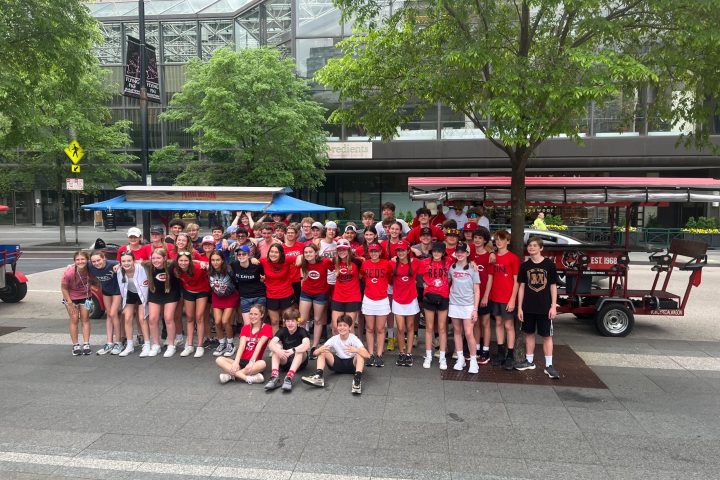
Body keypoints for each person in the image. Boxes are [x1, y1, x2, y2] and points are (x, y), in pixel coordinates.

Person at [515, 237, 560, 379]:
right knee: (528, 334)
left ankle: (549, 365)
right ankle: (529, 361)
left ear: (541, 248)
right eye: (529, 245)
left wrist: (553, 306)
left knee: (547, 336)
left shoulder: (549, 265)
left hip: (545, 307)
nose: (531, 248)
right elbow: (521, 287)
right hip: (528, 307)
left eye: (535, 245)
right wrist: (520, 307)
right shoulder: (524, 266)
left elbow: (553, 286)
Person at [301, 314, 370, 394]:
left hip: (352, 365)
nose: (342, 327)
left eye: (345, 325)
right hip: (338, 364)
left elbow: (367, 355)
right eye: (340, 325)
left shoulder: (354, 338)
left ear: (350, 328)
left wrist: (356, 350)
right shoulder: (334, 339)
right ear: (337, 327)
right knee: (323, 351)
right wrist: (319, 349)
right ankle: (319, 376)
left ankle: (357, 380)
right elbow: (314, 353)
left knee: (360, 354)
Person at [483, 229, 520, 370]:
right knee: (498, 322)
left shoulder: (513, 258)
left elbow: (517, 281)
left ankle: (510, 354)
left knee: (509, 325)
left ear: (508, 241)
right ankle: (500, 352)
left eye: (501, 239)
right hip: (496, 296)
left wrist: (512, 299)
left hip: (507, 297)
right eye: (496, 239)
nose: (498, 242)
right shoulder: (493, 257)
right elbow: (491, 277)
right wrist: (487, 295)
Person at [216, 304, 271, 384]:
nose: (252, 316)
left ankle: (230, 376)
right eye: (251, 314)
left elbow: (259, 345)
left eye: (256, 314)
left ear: (262, 315)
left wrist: (251, 362)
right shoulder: (245, 328)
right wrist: (236, 362)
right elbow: (241, 346)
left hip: (254, 361)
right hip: (241, 360)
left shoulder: (267, 328)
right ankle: (247, 378)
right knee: (219, 359)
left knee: (263, 363)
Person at [418, 242, 453, 370]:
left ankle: (442, 357)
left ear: (443, 252)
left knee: (442, 328)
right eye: (434, 251)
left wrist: (473, 263)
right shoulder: (425, 262)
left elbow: (463, 259)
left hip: (443, 296)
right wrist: (423, 283)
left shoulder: (449, 261)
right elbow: (417, 272)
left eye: (439, 251)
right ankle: (428, 355)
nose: (436, 253)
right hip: (429, 296)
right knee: (429, 327)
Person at [448, 242, 481, 374]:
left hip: (468, 305)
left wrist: (475, 309)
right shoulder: (452, 267)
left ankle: (473, 361)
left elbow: (477, 290)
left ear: (468, 253)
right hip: (454, 303)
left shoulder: (473, 269)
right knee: (457, 331)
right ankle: (460, 358)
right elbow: (448, 282)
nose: (460, 254)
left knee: (468, 333)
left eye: (463, 252)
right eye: (458, 252)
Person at [360, 243, 393, 367]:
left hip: (382, 299)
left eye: (376, 251)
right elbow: (362, 276)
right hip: (368, 298)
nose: (373, 253)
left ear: (380, 252)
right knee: (369, 328)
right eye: (371, 251)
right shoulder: (365, 264)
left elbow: (390, 277)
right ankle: (370, 354)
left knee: (380, 328)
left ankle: (379, 354)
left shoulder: (386, 264)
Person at [144, 248, 181, 357]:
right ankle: (156, 344)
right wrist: (119, 265)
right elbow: (135, 262)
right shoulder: (148, 265)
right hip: (155, 293)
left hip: (170, 292)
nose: (156, 260)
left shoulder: (171, 264)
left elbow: (187, 261)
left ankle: (171, 345)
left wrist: (202, 262)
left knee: (168, 317)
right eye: (153, 258)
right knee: (152, 319)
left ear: (164, 258)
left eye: (158, 258)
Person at [264, 307, 311, 391]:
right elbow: (271, 344)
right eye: (288, 321)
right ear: (285, 322)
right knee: (276, 348)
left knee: (300, 351)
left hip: (299, 362)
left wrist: (293, 350)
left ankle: (289, 377)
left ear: (297, 321)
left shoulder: (302, 331)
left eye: (293, 321)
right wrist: (278, 351)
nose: (290, 323)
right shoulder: (283, 330)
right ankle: (275, 377)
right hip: (285, 359)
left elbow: (307, 345)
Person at [173, 251, 209, 358]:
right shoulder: (176, 270)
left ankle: (200, 346)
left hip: (202, 291)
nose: (183, 263)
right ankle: (189, 345)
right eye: (181, 260)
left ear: (190, 261)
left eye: (186, 260)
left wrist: (201, 262)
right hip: (188, 291)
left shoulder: (199, 267)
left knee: (199, 317)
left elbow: (211, 266)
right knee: (189, 318)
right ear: (177, 261)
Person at [390, 240, 421, 366]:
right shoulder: (392, 264)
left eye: (403, 250)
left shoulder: (416, 262)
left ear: (408, 251)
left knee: (410, 328)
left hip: (411, 299)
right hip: (398, 299)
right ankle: (401, 353)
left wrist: (413, 250)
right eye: (398, 250)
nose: (400, 252)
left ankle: (409, 353)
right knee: (400, 328)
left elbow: (431, 260)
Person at [297, 243, 332, 351]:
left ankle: (314, 346)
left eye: (310, 252)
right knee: (301, 319)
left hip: (320, 293)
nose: (308, 254)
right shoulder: (303, 262)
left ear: (316, 252)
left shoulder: (325, 261)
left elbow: (335, 268)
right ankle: (301, 343)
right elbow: (293, 260)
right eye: (306, 252)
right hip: (306, 292)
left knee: (317, 320)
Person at [116, 250, 151, 357]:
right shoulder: (119, 270)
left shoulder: (141, 268)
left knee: (142, 318)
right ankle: (129, 345)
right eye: (123, 261)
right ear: (120, 262)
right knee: (127, 318)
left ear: (134, 261)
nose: (126, 263)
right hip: (130, 293)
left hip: (143, 294)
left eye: (129, 261)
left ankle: (147, 344)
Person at [88, 251, 122, 355]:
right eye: (94, 261)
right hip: (106, 291)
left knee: (113, 314)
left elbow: (126, 263)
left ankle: (118, 342)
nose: (96, 263)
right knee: (109, 315)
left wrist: (120, 265)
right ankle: (109, 342)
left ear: (104, 258)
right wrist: (70, 266)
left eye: (98, 260)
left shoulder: (112, 264)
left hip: (117, 290)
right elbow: (79, 263)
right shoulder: (90, 265)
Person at [61, 250, 94, 356]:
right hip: (71, 297)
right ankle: (75, 345)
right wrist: (70, 303)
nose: (80, 262)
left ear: (87, 260)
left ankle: (86, 344)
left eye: (83, 259)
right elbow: (64, 288)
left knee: (85, 319)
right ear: (74, 261)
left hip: (86, 296)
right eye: (77, 260)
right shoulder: (69, 272)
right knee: (74, 319)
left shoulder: (90, 268)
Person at [208, 251, 240, 357]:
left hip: (230, 296)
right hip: (217, 296)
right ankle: (222, 343)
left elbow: (236, 282)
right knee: (217, 322)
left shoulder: (229, 269)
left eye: (217, 260)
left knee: (225, 321)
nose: (215, 262)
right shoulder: (209, 270)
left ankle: (230, 344)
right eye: (213, 260)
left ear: (222, 260)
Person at [260, 243, 297, 334]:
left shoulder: (287, 260)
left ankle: (287, 341)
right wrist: (252, 259)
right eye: (271, 252)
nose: (273, 254)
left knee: (287, 321)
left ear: (281, 253)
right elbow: (253, 262)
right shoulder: (264, 261)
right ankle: (276, 343)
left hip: (286, 294)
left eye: (276, 252)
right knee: (274, 321)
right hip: (271, 295)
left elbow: (301, 257)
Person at [328, 239, 363, 334]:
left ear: (349, 250)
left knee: (349, 327)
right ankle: (337, 347)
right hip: (338, 296)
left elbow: (362, 276)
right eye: (339, 250)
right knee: (336, 326)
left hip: (353, 296)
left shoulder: (357, 262)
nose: (342, 252)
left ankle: (351, 348)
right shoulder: (334, 261)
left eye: (344, 249)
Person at [471, 227, 494, 364]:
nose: (477, 240)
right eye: (475, 237)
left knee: (485, 323)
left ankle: (486, 350)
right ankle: (477, 348)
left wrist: (485, 296)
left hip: (485, 294)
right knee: (475, 323)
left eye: (480, 238)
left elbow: (490, 277)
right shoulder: (471, 254)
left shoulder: (489, 256)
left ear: (485, 240)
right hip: (472, 295)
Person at [230, 244, 266, 327]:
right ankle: (249, 339)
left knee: (258, 323)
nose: (241, 256)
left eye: (244, 254)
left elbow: (264, 276)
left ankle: (259, 339)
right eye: (239, 254)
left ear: (249, 254)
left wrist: (264, 279)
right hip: (244, 297)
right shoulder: (234, 265)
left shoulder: (256, 264)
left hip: (259, 296)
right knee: (247, 324)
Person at [282, 223, 304, 300]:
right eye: (288, 233)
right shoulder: (281, 247)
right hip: (286, 280)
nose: (290, 234)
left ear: (296, 234)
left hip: (298, 279)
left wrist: (301, 256)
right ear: (285, 234)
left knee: (299, 302)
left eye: (292, 233)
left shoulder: (301, 246)